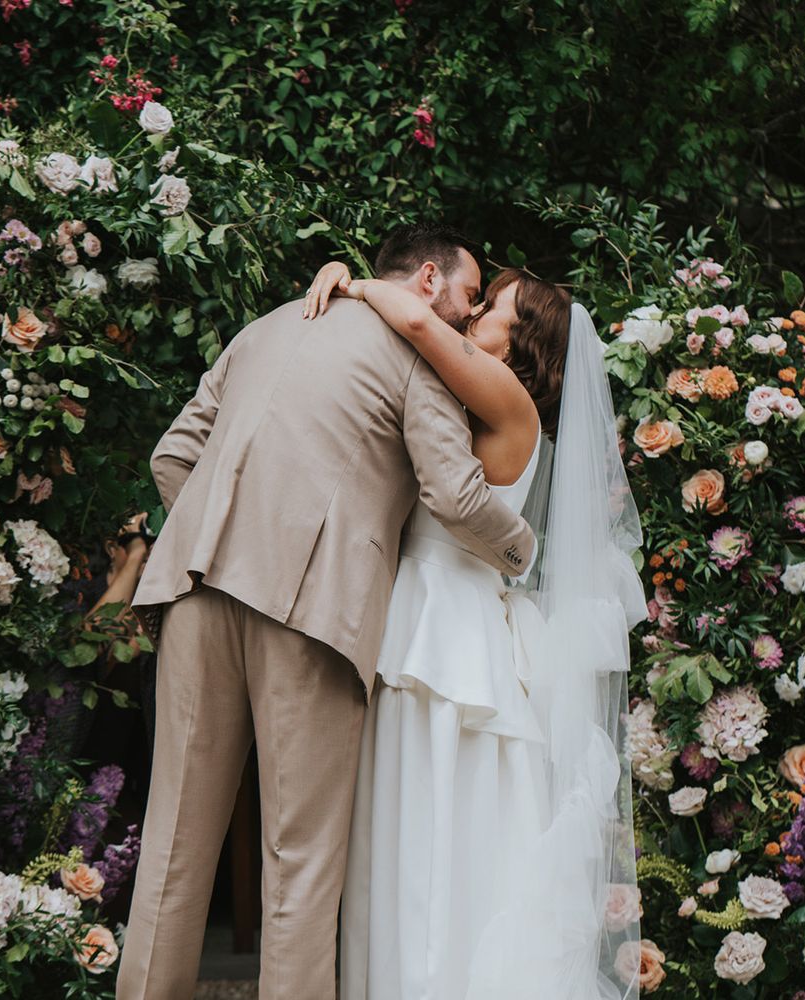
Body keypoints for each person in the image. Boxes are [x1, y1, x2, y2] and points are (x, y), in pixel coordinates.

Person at [115, 224, 537, 1000]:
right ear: (428, 282)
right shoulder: (420, 362)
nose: (468, 318)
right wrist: (524, 554)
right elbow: (452, 494)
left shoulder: (269, 324)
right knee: (299, 866)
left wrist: (226, 539)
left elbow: (172, 456)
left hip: (195, 592)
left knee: (172, 848)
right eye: (469, 296)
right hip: (310, 615)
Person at [303, 256, 647, 999]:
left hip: (446, 634)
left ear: (521, 338)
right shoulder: (472, 400)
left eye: (494, 306)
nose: (476, 312)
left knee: (430, 828)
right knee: (419, 832)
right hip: (434, 626)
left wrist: (356, 281)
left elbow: (422, 320)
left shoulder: (508, 399)